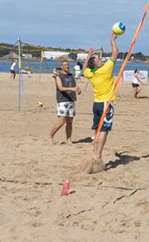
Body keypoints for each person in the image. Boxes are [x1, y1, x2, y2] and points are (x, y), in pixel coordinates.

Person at [81, 32, 119, 173]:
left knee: (97, 130)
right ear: (96, 64)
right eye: (97, 59)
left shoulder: (90, 73)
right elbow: (115, 53)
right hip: (105, 104)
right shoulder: (105, 69)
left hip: (96, 104)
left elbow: (84, 69)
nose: (100, 59)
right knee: (104, 130)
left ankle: (95, 153)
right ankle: (97, 155)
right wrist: (112, 40)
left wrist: (89, 55)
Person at [49, 59, 81, 145]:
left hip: (71, 99)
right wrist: (72, 89)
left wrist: (78, 89)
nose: (66, 66)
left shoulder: (71, 75)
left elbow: (75, 84)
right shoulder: (58, 76)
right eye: (65, 65)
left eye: (67, 65)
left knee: (70, 121)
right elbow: (60, 88)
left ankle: (69, 140)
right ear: (61, 66)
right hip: (62, 100)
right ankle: (51, 136)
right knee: (61, 120)